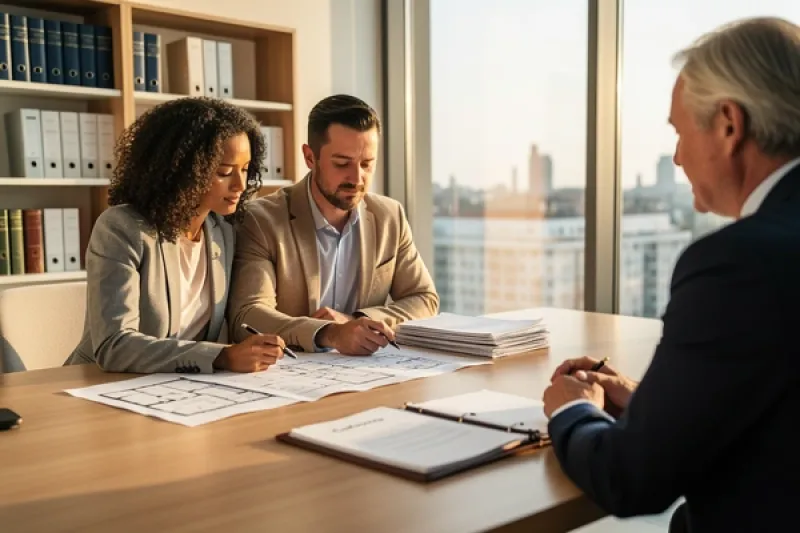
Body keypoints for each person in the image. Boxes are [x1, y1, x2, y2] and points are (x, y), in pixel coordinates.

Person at [542, 17, 800, 533]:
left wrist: (572, 411)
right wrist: (659, 405)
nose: (678, 156)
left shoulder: (739, 263)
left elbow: (631, 478)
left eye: (680, 132)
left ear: (729, 124)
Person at [65, 97, 287, 374]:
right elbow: (115, 346)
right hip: (103, 385)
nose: (240, 185)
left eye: (245, 170)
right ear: (183, 170)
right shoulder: (123, 228)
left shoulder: (223, 231)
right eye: (224, 172)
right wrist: (220, 357)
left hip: (182, 388)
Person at [227, 94, 439, 355]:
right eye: (342, 163)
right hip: (290, 376)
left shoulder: (389, 216)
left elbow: (425, 299)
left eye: (366, 164)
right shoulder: (261, 220)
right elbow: (247, 316)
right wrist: (329, 333)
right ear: (309, 157)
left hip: (368, 374)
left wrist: (354, 320)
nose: (357, 178)